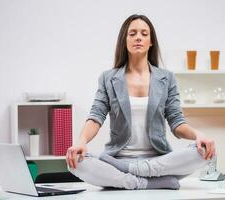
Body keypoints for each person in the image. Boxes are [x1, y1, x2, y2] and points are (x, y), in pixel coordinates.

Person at [66, 14, 215, 190]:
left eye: (144, 34)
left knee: (207, 152)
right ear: (125, 40)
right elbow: (96, 116)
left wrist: (198, 135)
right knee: (76, 163)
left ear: (151, 41)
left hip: (158, 160)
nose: (138, 37)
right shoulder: (108, 78)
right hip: (118, 160)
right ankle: (145, 182)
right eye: (133, 33)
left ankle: (133, 173)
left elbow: (176, 121)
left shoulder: (166, 78)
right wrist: (81, 142)